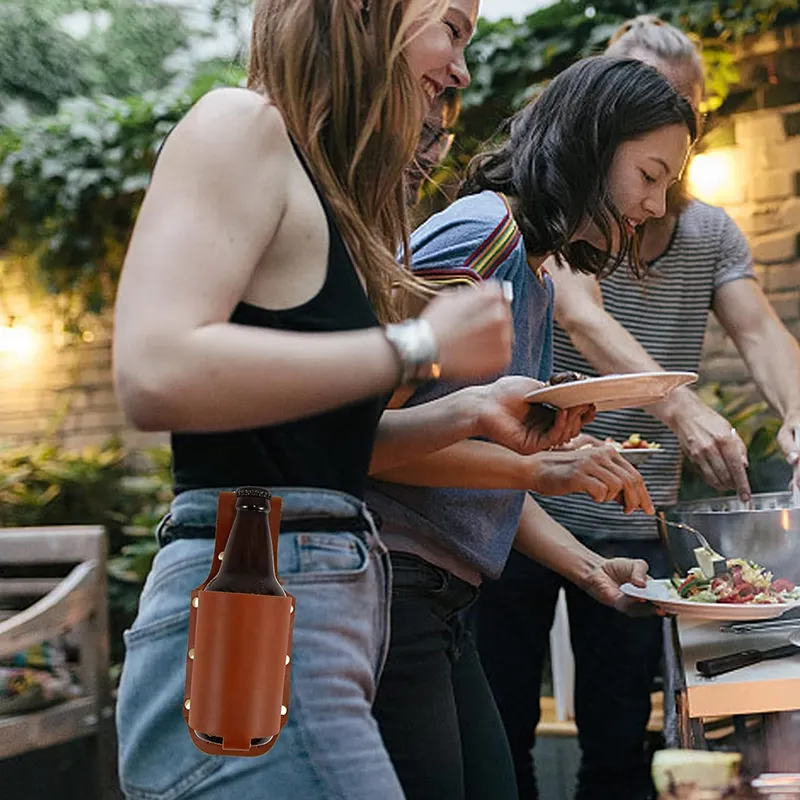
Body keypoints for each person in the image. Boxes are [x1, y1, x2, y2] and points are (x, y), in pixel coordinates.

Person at [111, 2, 589, 798]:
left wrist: (470, 409)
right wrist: (420, 347)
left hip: (318, 597)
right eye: (454, 26)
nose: (463, 69)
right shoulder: (237, 124)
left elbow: (316, 444)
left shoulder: (320, 193)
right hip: (256, 595)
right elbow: (155, 369)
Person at [474, 16, 800, 800]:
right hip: (518, 507)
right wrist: (680, 407)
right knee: (501, 732)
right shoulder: (562, 224)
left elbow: (760, 332)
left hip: (635, 525)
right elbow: (577, 309)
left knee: (621, 744)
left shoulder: (707, 232)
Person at [365, 55, 697, 800]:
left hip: (441, 598)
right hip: (390, 589)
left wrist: (588, 568)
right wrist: (538, 467)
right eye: (648, 175)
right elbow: (369, 444)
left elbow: (469, 457)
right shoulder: (482, 237)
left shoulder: (532, 268)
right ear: (590, 142)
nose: (653, 205)